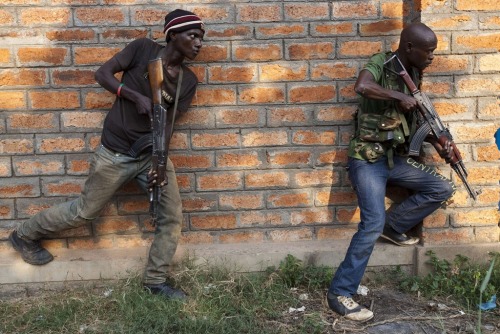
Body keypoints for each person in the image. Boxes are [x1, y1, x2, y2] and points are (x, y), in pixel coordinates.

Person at [9, 9, 205, 300]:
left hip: (150, 154)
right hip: (115, 152)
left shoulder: (188, 81)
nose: (200, 43)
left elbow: (167, 124)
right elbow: (102, 74)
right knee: (84, 212)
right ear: (173, 35)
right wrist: (132, 94)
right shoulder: (142, 49)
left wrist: (160, 163)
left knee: (171, 216)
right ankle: (23, 234)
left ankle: (155, 282)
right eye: (194, 36)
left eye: (202, 38)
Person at [326, 23, 457, 321]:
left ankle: (393, 224)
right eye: (430, 51)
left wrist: (441, 144)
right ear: (410, 47)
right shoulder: (381, 63)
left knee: (441, 188)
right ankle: (340, 293)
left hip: (393, 160)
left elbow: (418, 121)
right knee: (370, 225)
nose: (433, 57)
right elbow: (362, 86)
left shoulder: (415, 73)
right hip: (367, 160)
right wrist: (399, 97)